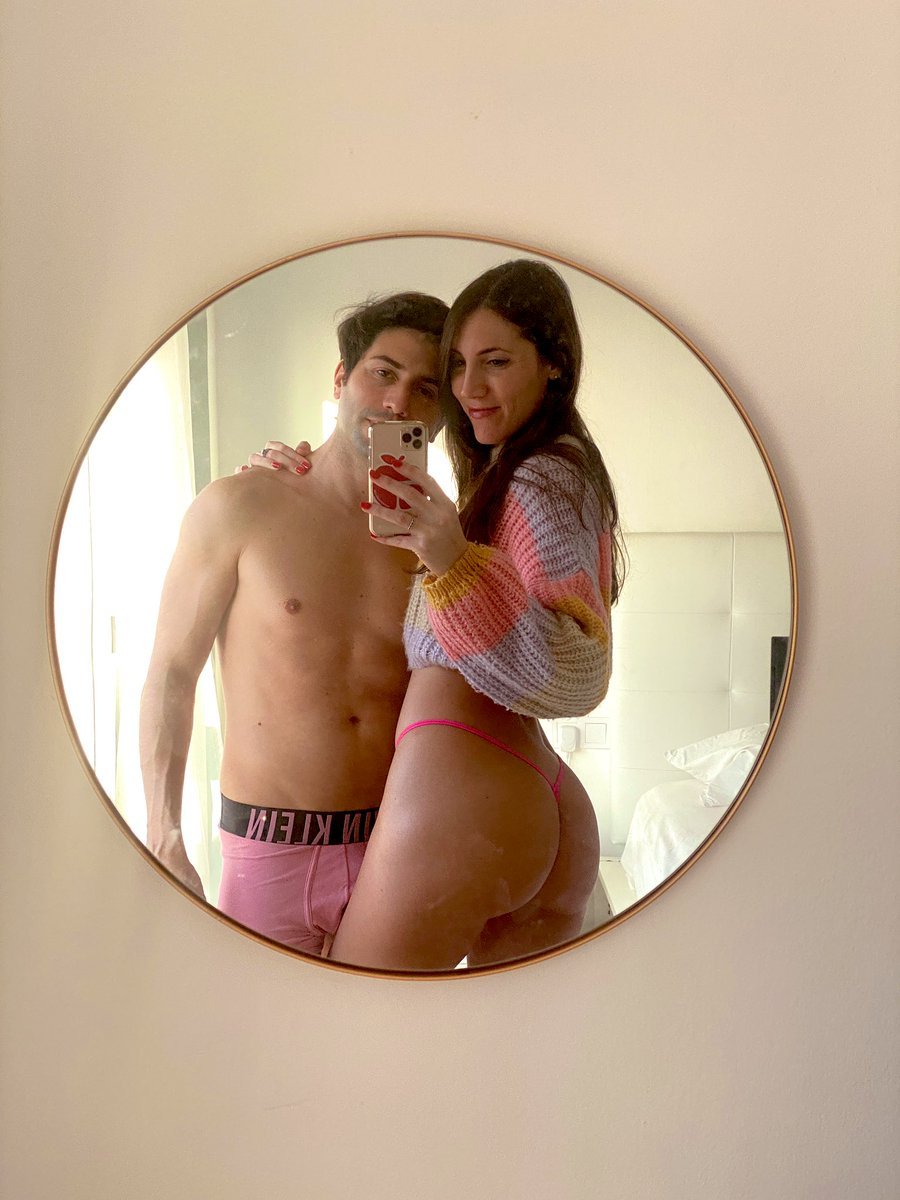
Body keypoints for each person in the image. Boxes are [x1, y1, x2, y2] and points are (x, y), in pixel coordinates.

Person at [256, 260, 622, 970]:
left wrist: (452, 563)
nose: (468, 389)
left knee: (362, 1018)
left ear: (553, 363)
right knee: (499, 1033)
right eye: (456, 366)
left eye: (496, 362)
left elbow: (580, 670)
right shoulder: (528, 470)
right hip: (509, 784)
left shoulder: (543, 476)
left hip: (462, 795)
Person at [139, 292, 449, 954]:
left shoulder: (439, 540)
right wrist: (163, 832)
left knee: (392, 1024)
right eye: (383, 372)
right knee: (256, 1022)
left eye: (426, 389)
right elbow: (171, 672)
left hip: (396, 848)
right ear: (340, 379)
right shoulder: (241, 505)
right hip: (267, 849)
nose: (399, 402)